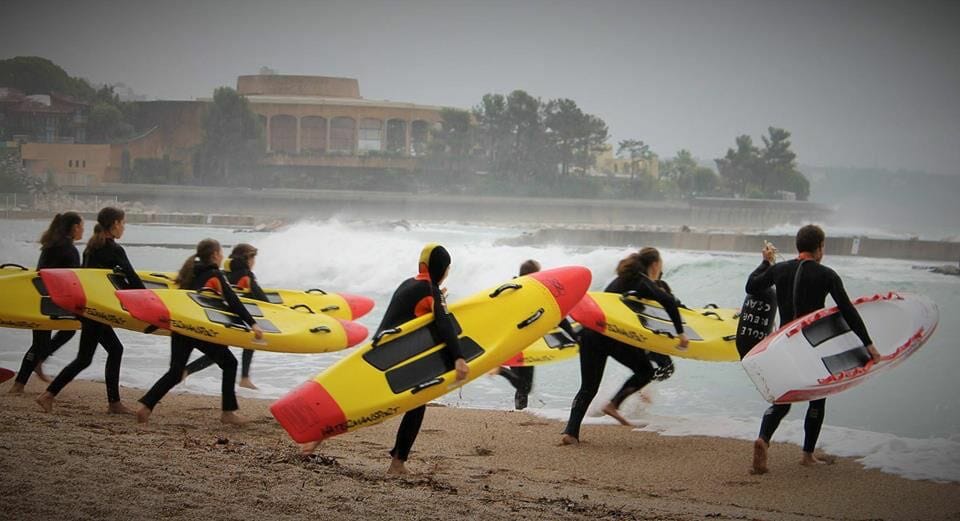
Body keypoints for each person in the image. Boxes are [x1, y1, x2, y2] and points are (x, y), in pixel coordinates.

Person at [301, 243, 468, 474]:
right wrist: (459, 358)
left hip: (376, 353)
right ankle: (397, 463)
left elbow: (414, 312)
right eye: (447, 268)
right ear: (441, 268)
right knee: (418, 403)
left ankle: (313, 440)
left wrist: (439, 298)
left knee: (352, 399)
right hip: (394, 360)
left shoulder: (410, 284)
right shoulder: (430, 291)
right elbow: (444, 324)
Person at [746, 225, 881, 474]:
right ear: (819, 247)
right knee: (817, 399)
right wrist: (868, 344)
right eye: (823, 246)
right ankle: (807, 455)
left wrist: (765, 263)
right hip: (810, 347)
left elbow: (752, 286)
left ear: (799, 246)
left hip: (783, 345)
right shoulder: (827, 275)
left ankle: (763, 439)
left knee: (782, 400)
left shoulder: (780, 269)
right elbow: (848, 311)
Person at [561, 247, 689, 445]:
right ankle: (614, 404)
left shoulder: (620, 280)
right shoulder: (640, 280)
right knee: (646, 371)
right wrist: (681, 333)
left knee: (588, 387)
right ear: (654, 265)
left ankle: (571, 432)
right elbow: (668, 301)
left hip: (590, 334)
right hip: (610, 336)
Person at [137, 239, 263, 425]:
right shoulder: (214, 275)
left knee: (175, 371)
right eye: (220, 253)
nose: (222, 257)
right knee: (230, 362)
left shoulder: (190, 272)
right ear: (214, 255)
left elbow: (176, 301)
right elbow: (233, 300)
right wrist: (252, 323)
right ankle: (227, 413)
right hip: (199, 330)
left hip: (181, 327)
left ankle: (146, 407)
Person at [36, 207, 142, 414]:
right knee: (94, 355)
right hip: (97, 310)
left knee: (98, 353)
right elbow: (132, 278)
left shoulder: (91, 247)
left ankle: (52, 395)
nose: (123, 228)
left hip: (88, 307)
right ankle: (51, 395)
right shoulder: (113, 249)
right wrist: (148, 300)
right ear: (114, 224)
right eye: (123, 223)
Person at [9, 212, 83, 394]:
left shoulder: (50, 245)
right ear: (74, 227)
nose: (83, 231)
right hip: (54, 302)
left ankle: (19, 385)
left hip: (39, 297)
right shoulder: (69, 249)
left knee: (39, 343)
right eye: (82, 227)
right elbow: (74, 279)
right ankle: (40, 360)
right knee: (68, 330)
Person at [496, 259, 578, 410]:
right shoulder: (532, 292)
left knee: (523, 384)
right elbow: (555, 315)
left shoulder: (511, 288)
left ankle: (520, 410)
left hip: (515, 341)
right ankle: (501, 372)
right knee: (524, 384)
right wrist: (572, 334)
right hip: (523, 342)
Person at [182, 243, 263, 389]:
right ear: (248, 259)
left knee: (222, 350)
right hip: (238, 316)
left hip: (220, 316)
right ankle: (244, 378)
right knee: (229, 350)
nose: (254, 262)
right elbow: (261, 298)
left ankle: (186, 371)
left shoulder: (228, 273)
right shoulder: (246, 275)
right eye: (253, 258)